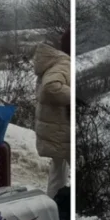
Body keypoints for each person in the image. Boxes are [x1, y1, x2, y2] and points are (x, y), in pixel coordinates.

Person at [33, 29, 71, 198]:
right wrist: (74, 97)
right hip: (61, 129)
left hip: (55, 127)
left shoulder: (55, 62)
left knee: (58, 171)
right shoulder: (64, 63)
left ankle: (54, 206)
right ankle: (72, 208)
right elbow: (50, 88)